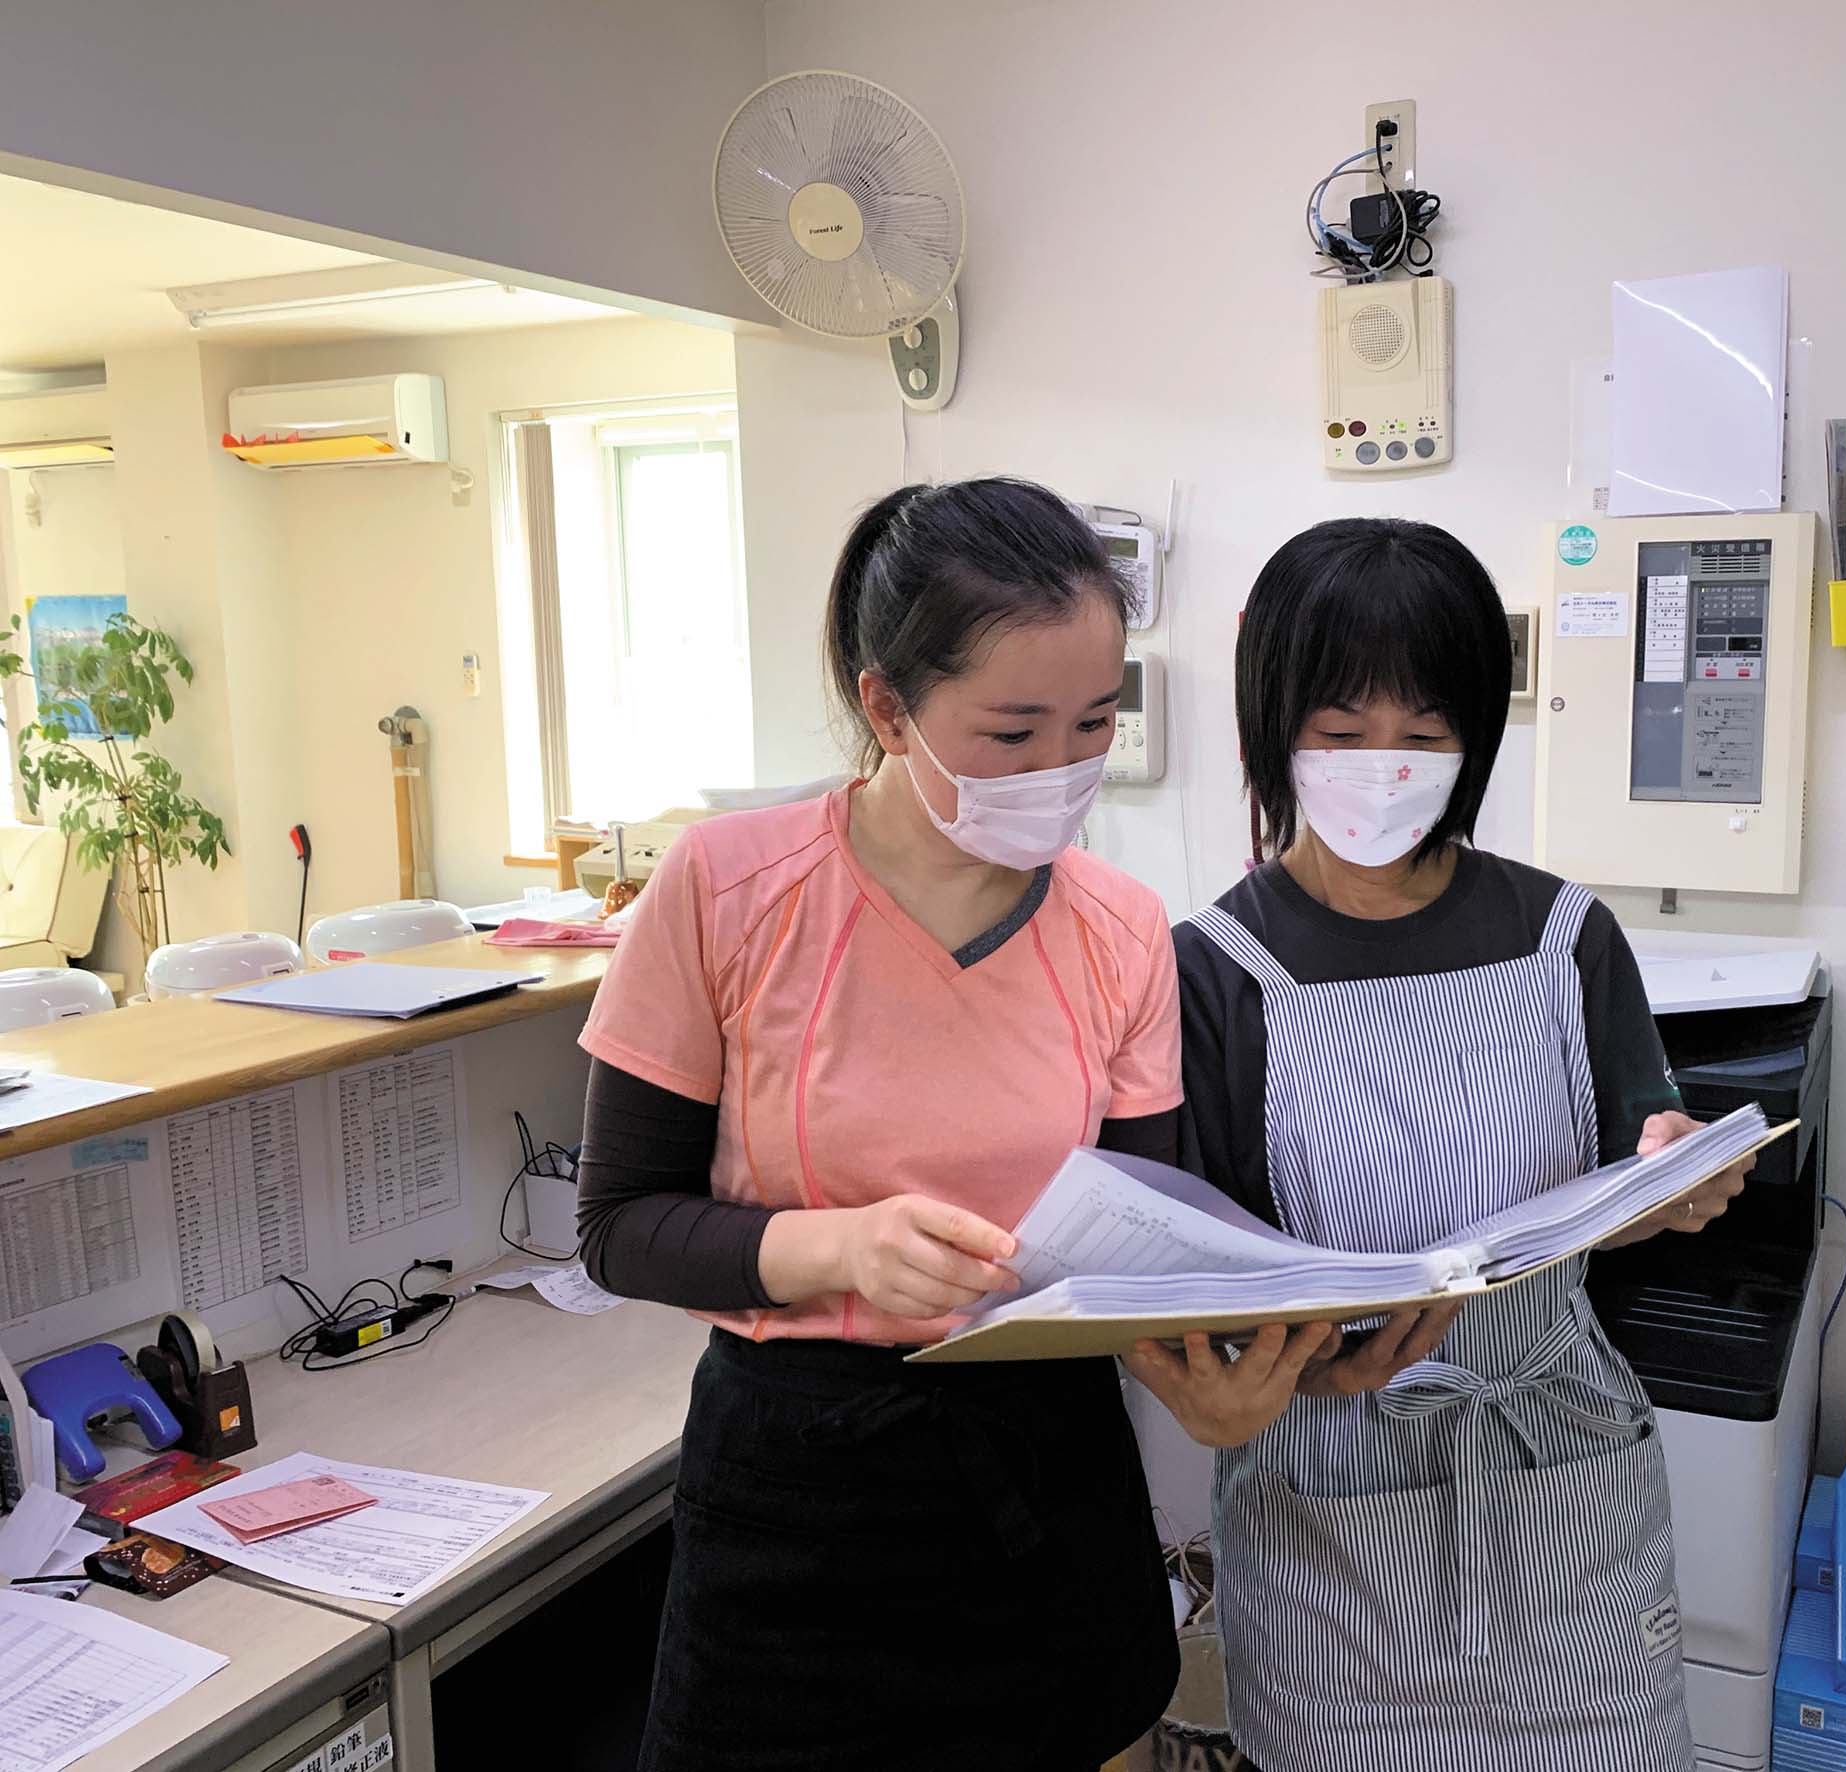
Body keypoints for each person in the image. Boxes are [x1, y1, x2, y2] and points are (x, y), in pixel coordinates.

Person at [1125, 517, 1754, 1772]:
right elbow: (1176, 1269)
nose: (1383, 769)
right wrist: (1214, 1376)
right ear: (1270, 729)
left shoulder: (1562, 934)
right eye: (1340, 732)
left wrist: (1674, 1182)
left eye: (1422, 733)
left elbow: (1630, 1168)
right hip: (1328, 1490)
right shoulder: (1207, 970)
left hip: (1557, 1463)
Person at [575, 478, 1185, 1770]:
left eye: (1094, 721)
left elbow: (1150, 1229)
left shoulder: (1124, 929)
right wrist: (842, 1248)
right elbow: (621, 1226)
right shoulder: (728, 888)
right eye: (1013, 731)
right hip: (800, 1491)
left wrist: (1229, 1358)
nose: (1063, 767)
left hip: (1049, 1477)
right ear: (887, 706)